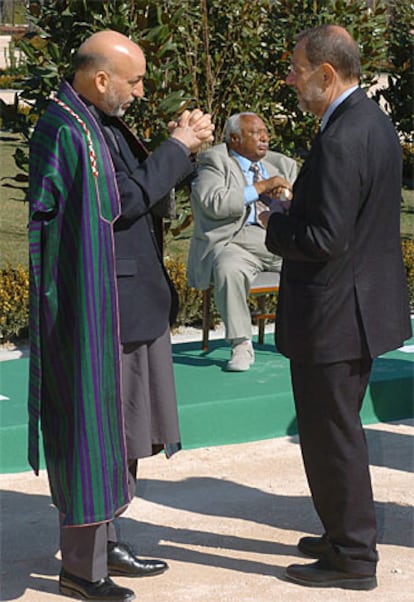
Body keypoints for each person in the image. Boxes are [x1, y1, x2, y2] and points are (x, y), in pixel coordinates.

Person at [27, 30, 214, 601]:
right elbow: (119, 204)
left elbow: (136, 192)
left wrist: (175, 150)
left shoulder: (94, 120)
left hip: (129, 305)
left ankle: (107, 540)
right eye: (132, 81)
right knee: (93, 433)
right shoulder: (66, 128)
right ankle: (82, 571)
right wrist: (176, 148)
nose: (138, 92)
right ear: (101, 78)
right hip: (99, 314)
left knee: (122, 433)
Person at [259, 24, 412, 590]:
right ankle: (340, 532)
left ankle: (352, 557)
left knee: (332, 435)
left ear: (327, 73)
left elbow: (323, 240)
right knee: (334, 431)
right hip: (356, 306)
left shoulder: (344, 135)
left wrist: (273, 222)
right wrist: (300, 204)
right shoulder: (369, 120)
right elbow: (345, 215)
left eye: (298, 70)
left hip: (335, 313)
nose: (292, 80)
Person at [187, 112, 296, 371]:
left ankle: (310, 333)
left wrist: (288, 201)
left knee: (318, 259)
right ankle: (241, 344)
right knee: (227, 267)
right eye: (255, 132)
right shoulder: (215, 161)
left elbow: (305, 206)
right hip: (236, 240)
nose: (264, 137)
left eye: (265, 131)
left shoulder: (282, 164)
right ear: (234, 139)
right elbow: (214, 203)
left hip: (278, 238)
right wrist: (261, 187)